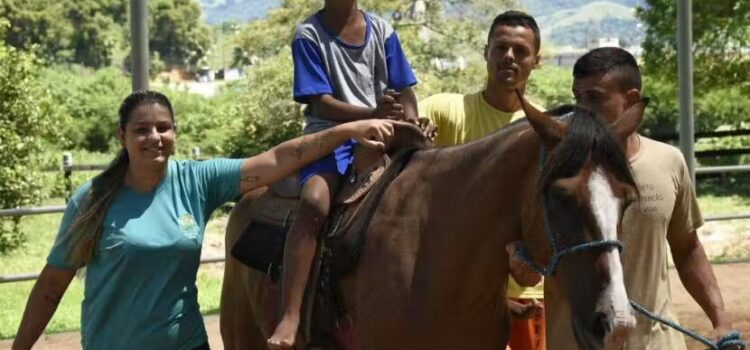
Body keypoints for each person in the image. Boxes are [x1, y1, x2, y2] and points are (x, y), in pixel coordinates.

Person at [12, 90, 398, 350]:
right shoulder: (93, 199)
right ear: (122, 135)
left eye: (163, 127)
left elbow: (278, 160)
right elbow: (51, 286)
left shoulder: (197, 181)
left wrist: (346, 131)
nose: (154, 137)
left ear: (175, 132)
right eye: (141, 130)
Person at [514, 47, 736, 349]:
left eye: (594, 98)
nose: (581, 109)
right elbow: (524, 254)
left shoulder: (668, 161)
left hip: (657, 344)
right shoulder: (554, 170)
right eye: (577, 97)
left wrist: (720, 320)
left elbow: (688, 248)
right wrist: (519, 261)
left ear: (631, 102)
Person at [268, 0, 418, 348]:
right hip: (331, 138)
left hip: (385, 134)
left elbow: (406, 88)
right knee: (316, 202)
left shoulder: (382, 31)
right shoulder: (308, 35)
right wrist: (370, 113)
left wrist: (411, 121)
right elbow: (318, 101)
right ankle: (290, 315)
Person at [419, 10, 546, 350]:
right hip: (459, 300)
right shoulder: (442, 111)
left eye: (520, 51)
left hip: (529, 297)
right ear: (485, 51)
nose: (509, 56)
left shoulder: (543, 129)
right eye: (500, 47)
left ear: (537, 60)